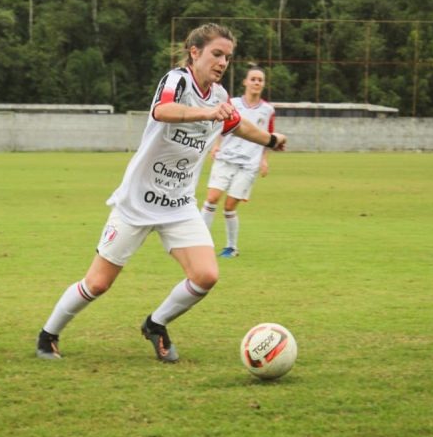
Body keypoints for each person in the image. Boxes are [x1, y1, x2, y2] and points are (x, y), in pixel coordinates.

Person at [35, 23, 287, 361]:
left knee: (206, 276)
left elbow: (236, 124)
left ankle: (155, 324)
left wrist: (270, 140)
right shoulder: (177, 81)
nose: (223, 62)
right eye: (216, 54)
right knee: (97, 283)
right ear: (195, 52)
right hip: (137, 202)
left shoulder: (221, 97)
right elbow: (162, 111)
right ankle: (47, 335)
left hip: (179, 204)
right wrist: (207, 113)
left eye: (227, 57)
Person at [200, 65, 275, 258]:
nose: (256, 82)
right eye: (253, 79)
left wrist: (264, 160)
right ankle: (201, 243)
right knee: (211, 199)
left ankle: (231, 248)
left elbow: (267, 137)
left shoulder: (268, 110)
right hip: (225, 158)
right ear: (245, 82)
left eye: (260, 80)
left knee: (229, 207)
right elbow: (220, 125)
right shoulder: (232, 103)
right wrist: (216, 145)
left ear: (263, 84)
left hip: (249, 164)